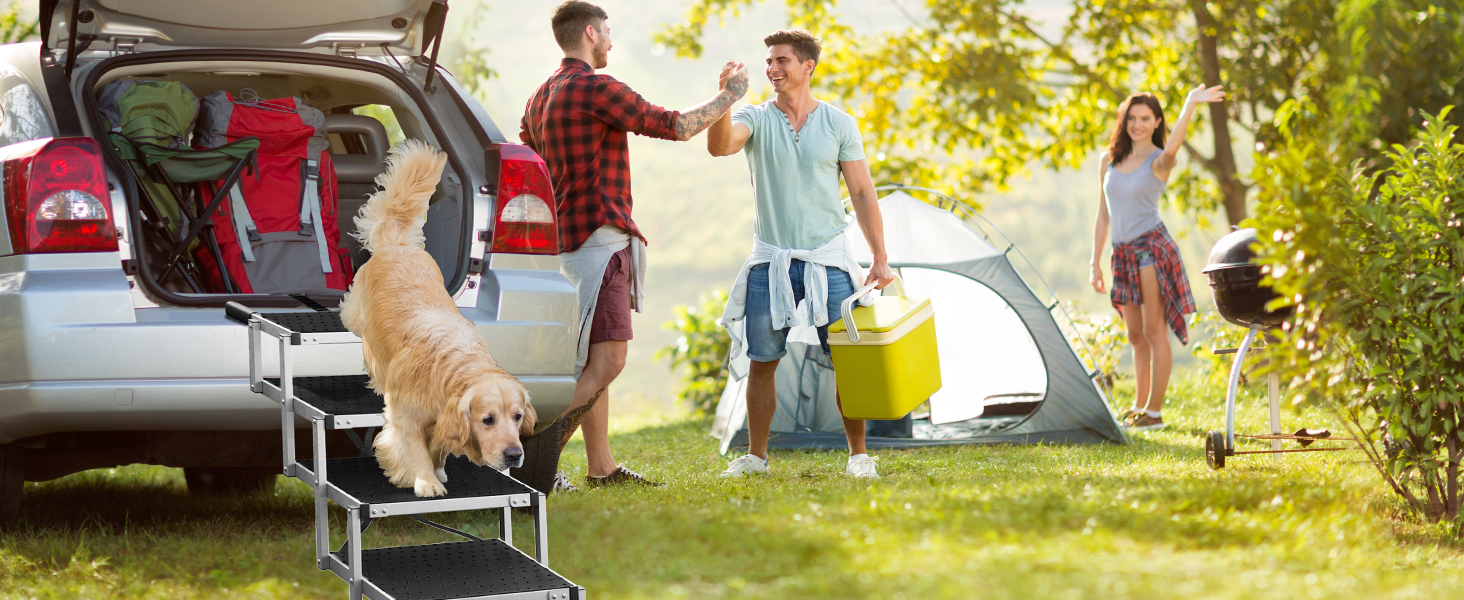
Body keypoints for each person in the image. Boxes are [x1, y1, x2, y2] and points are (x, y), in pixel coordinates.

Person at [520, 1, 750, 490]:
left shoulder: (540, 97)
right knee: (610, 360)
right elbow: (675, 126)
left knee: (590, 359)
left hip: (565, 247)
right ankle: (531, 467)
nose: (610, 40)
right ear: (588, 33)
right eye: (607, 31)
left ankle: (601, 469)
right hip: (602, 240)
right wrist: (728, 96)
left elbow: (529, 159)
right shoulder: (595, 88)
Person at [707, 30, 896, 478]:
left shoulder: (839, 123)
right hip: (769, 259)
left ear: (807, 66)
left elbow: (864, 193)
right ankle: (755, 458)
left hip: (828, 260)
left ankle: (858, 457)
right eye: (769, 61)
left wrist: (880, 258)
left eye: (782, 61)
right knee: (763, 361)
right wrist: (724, 99)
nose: (772, 69)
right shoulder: (755, 117)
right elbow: (719, 145)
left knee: (848, 362)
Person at [1089, 85, 1224, 431]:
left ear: (1156, 123)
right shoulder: (1109, 160)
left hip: (1151, 249)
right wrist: (1095, 262)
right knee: (1134, 334)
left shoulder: (1159, 161)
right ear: (1124, 120)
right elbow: (1103, 215)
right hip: (1121, 254)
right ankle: (1139, 406)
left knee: (1153, 330)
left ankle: (1154, 412)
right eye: (1132, 118)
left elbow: (1175, 143)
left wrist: (1190, 104)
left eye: (1145, 119)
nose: (1137, 124)